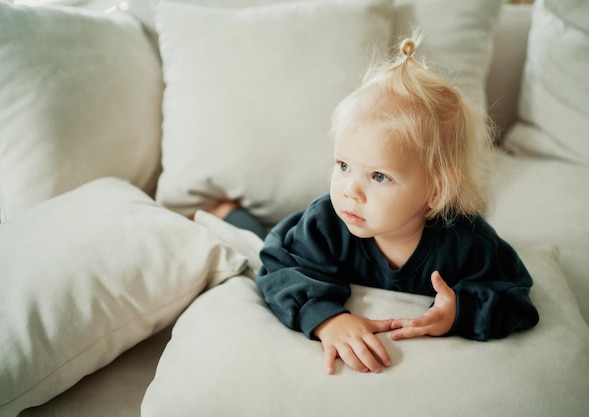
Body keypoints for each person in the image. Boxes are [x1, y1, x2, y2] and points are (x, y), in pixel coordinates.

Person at [213, 35, 539, 375]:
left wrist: (460, 311)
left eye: (379, 176)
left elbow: (515, 298)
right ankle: (231, 214)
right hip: (295, 238)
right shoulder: (325, 222)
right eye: (343, 166)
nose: (350, 191)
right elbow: (278, 267)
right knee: (258, 243)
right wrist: (326, 317)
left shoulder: (468, 244)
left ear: (436, 191)